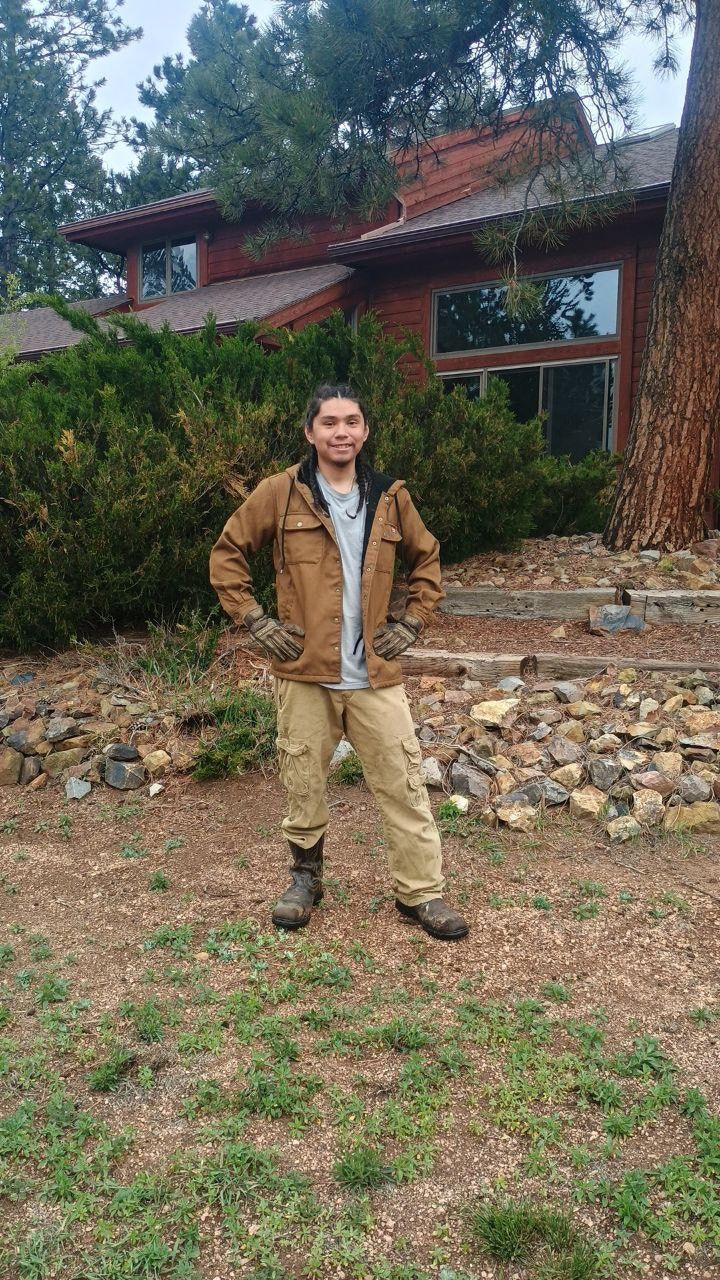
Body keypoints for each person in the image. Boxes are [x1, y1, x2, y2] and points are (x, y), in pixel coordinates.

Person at [209, 383, 468, 942]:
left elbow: (427, 559)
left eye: (351, 421)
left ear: (365, 431)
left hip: (375, 674)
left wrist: (412, 622)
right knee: (303, 781)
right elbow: (228, 553)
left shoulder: (391, 497)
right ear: (310, 432)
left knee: (404, 783)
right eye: (329, 422)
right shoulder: (281, 493)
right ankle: (305, 880)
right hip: (306, 671)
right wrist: (255, 620)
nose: (341, 432)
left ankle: (421, 893)